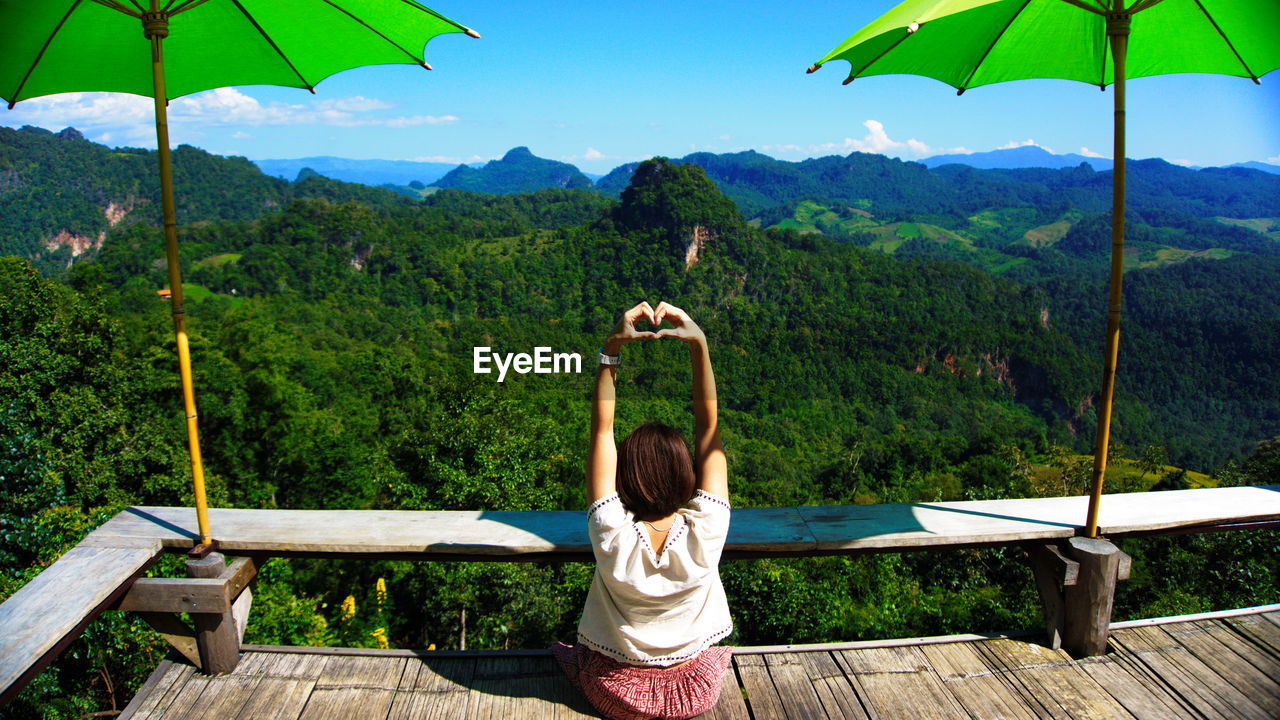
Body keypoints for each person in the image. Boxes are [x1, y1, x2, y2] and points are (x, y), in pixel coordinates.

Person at [553, 301, 733, 720]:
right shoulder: (708, 525)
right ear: (686, 474)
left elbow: (602, 430)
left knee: (566, 654)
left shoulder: (610, 529)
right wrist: (699, 346)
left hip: (616, 693)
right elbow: (709, 429)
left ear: (625, 477)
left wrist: (610, 351)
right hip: (694, 691)